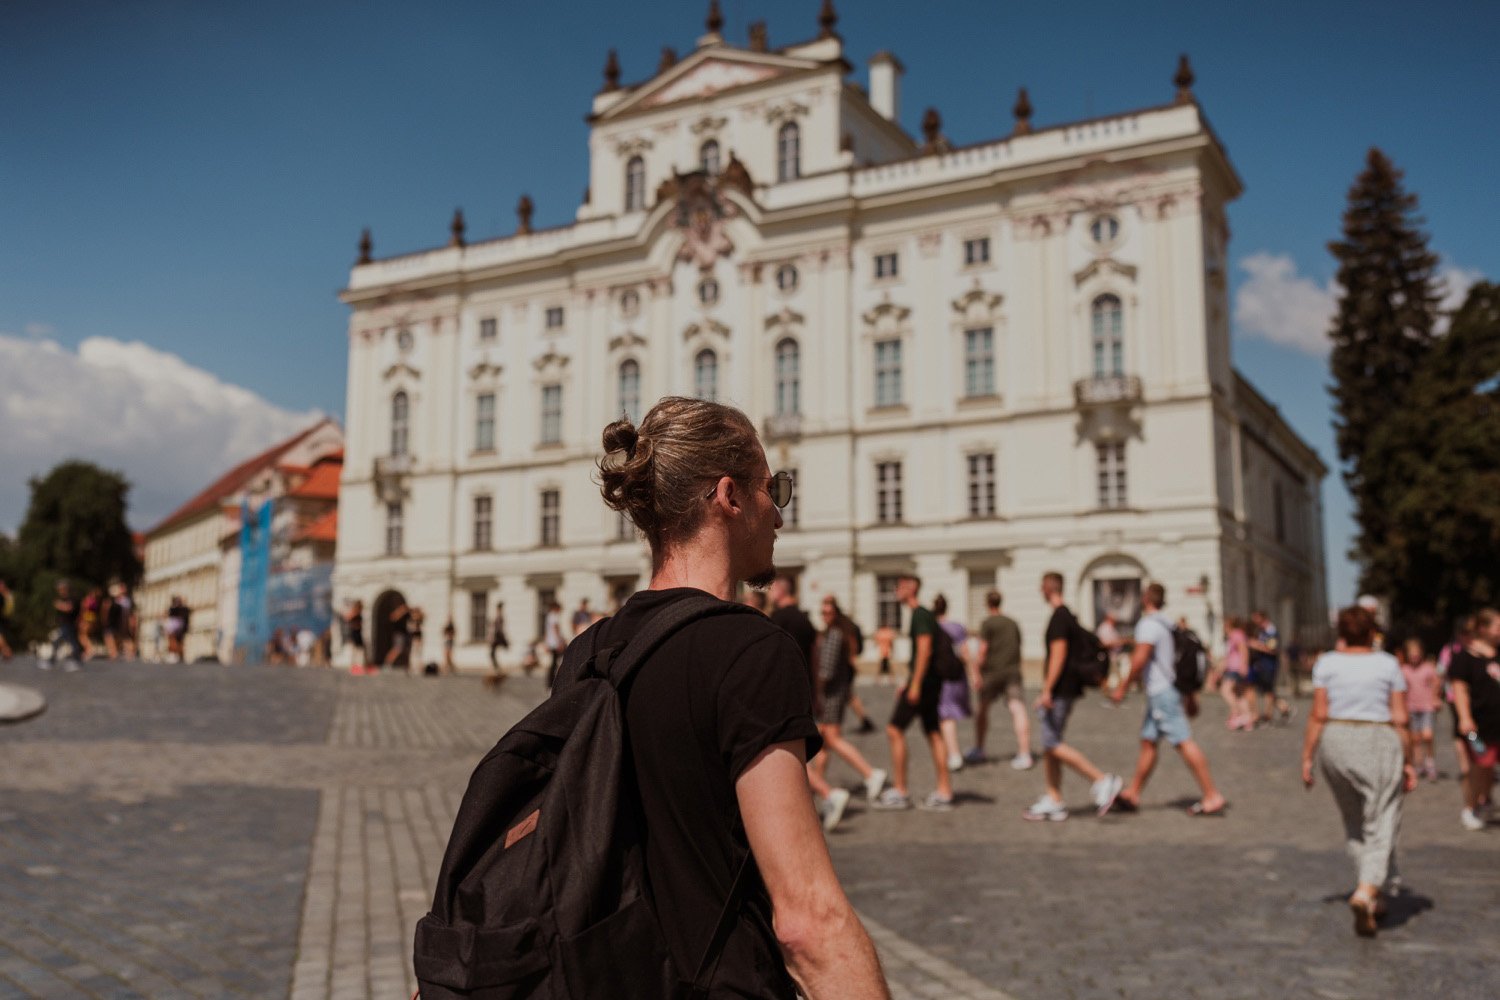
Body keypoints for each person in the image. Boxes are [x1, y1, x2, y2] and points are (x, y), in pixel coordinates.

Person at [590, 396, 888, 997]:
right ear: (729, 496)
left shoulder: (592, 651)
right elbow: (808, 922)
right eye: (771, 491)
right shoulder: (750, 654)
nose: (778, 516)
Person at [1299, 605, 1415, 936]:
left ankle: (1374, 894)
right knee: (1383, 818)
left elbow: (1318, 713)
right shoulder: (1387, 664)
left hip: (1336, 740)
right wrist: (1409, 760)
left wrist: (1308, 757)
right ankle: (1367, 890)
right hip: (1377, 737)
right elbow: (1401, 717)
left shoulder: (1327, 663)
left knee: (1355, 821)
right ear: (1371, 632)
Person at [1110, 584, 1227, 816]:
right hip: (1166, 691)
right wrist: (1190, 696)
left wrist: (1122, 686)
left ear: (1145, 599)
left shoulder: (1148, 624)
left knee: (1183, 741)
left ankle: (1212, 795)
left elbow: (1140, 658)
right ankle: (1133, 793)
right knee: (1148, 742)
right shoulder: (1168, 623)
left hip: (1162, 692)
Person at [1023, 572, 1121, 821]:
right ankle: (1054, 798)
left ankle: (1102, 779)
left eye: (1041, 586)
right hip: (1065, 688)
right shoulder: (1068, 615)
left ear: (1047, 588)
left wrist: (1046, 690)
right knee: (1049, 744)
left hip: (1060, 690)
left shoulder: (1059, 618)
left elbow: (1058, 654)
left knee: (1052, 743)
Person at [874, 574, 955, 812]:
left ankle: (901, 790)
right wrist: (910, 681)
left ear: (911, 588)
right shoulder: (924, 614)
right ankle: (944, 791)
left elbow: (924, 650)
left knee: (894, 729)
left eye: (899, 586)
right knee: (933, 733)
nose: (896, 590)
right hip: (930, 683)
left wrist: (915, 685)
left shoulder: (920, 615)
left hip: (925, 685)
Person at [808, 596, 887, 817]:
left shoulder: (833, 635)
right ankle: (815, 789)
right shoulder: (836, 633)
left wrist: (815, 689)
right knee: (824, 743)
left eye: (828, 612)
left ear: (836, 613)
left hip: (830, 695)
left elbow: (826, 671)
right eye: (822, 612)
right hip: (835, 693)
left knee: (832, 738)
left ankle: (870, 773)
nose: (825, 616)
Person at [967, 590, 1031, 769]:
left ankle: (979, 748)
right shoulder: (1012, 623)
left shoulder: (987, 623)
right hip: (1012, 671)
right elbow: (1018, 645)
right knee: (1017, 708)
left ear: (988, 604)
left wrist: (975, 672)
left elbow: (982, 650)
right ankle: (1025, 753)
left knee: (982, 710)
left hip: (992, 673)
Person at [1449, 609, 1500, 832]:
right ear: (1483, 629)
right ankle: (1470, 807)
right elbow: (1459, 690)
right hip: (1476, 725)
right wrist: (1465, 717)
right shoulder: (1464, 658)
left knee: (1489, 766)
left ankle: (1486, 800)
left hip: (1497, 723)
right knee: (1477, 766)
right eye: (1497, 627)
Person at [931, 594, 971, 772]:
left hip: (941, 678)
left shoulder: (932, 628)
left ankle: (953, 754)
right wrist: (974, 674)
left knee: (946, 716)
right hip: (957, 675)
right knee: (949, 714)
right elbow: (965, 653)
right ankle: (951, 752)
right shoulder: (957, 627)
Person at [1398, 637, 1441, 782]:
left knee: (1427, 735)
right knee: (1415, 738)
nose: (1414, 655)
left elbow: (1436, 682)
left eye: (1416, 652)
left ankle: (1430, 761)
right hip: (1411, 706)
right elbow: (1400, 689)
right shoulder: (1404, 670)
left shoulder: (1428, 668)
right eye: (1411, 653)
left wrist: (1435, 697)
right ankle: (1419, 763)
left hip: (1426, 706)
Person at [1248, 610, 1292, 725]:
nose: (1255, 623)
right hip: (1262, 665)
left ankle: (1276, 711)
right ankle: (1277, 710)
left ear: (1264, 619)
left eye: (1257, 620)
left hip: (1269, 665)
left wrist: (1256, 645)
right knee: (1266, 690)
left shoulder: (1271, 632)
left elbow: (1272, 649)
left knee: (1268, 690)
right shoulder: (1262, 631)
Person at [1215, 616, 1253, 731]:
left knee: (1225, 690)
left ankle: (1237, 713)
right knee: (1239, 694)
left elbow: (1243, 650)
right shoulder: (1236, 635)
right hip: (1234, 667)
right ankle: (1247, 718)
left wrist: (1244, 665)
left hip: (1235, 668)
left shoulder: (1236, 634)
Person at [48, 580, 82, 671]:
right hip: (63, 624)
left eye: (61, 589)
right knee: (60, 641)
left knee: (71, 642)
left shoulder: (72, 598)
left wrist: (59, 605)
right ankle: (52, 661)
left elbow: (69, 608)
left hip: (70, 624)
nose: (60, 591)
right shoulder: (62, 599)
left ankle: (76, 662)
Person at [1096, 610, 1128, 695]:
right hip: (1108, 656)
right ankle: (1113, 693)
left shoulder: (1111, 628)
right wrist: (1120, 642)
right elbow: (1104, 643)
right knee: (1111, 674)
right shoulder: (1104, 628)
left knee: (1114, 675)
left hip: (1114, 655)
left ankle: (1113, 692)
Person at [384, 599, 411, 670]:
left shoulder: (407, 613)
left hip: (405, 633)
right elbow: (393, 618)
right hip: (398, 633)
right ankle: (387, 664)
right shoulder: (397, 612)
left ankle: (406, 666)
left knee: (405, 650)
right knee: (397, 649)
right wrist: (401, 611)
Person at [487, 601, 509, 671]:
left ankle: (497, 667)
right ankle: (497, 667)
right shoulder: (498, 616)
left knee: (492, 653)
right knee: (492, 653)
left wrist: (493, 636)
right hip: (498, 635)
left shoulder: (499, 616)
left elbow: (498, 627)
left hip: (498, 635)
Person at [0, 578, 15, 660]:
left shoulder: (7, 595)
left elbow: (9, 610)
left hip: (3, 619)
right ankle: (6, 653)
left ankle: (6, 653)